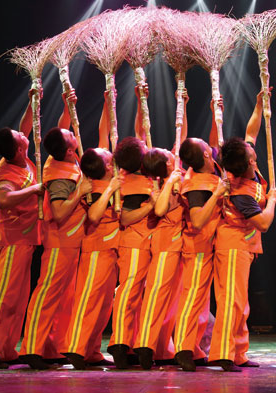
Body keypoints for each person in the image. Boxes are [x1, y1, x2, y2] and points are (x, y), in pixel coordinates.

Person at [18, 90, 92, 370]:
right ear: (70, 150)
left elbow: (63, 130)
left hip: (71, 243)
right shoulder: (60, 176)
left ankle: (53, 348)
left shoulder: (61, 158)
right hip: (60, 242)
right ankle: (32, 348)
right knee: (48, 294)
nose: (73, 132)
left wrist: (65, 105)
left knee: (63, 298)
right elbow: (60, 213)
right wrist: (80, 192)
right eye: (71, 136)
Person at [209, 89, 276, 371]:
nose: (251, 146)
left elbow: (252, 131)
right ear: (249, 161)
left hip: (244, 247)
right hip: (232, 246)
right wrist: (272, 201)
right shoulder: (241, 192)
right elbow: (263, 223)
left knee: (242, 302)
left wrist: (259, 103)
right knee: (231, 301)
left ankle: (239, 352)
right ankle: (223, 354)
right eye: (250, 151)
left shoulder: (246, 168)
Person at [0, 89, 44, 369]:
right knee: (6, 293)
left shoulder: (20, 157)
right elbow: (4, 200)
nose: (23, 135)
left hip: (26, 239)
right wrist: (35, 189)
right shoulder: (5, 172)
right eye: (20, 138)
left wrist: (32, 101)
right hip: (13, 240)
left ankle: (6, 349)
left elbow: (24, 127)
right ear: (18, 149)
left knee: (18, 296)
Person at [63, 92, 121, 370]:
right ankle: (76, 348)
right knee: (89, 300)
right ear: (108, 166)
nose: (110, 153)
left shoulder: (103, 173)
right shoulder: (97, 187)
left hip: (110, 250)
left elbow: (103, 134)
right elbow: (95, 215)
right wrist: (111, 189)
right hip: (96, 249)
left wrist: (108, 103)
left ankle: (91, 350)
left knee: (103, 303)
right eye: (109, 157)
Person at [133, 91, 190, 370]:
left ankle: (165, 347)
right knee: (156, 293)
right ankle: (144, 345)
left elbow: (181, 138)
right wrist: (169, 185)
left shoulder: (172, 170)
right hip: (166, 243)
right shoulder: (162, 184)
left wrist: (184, 106)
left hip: (179, 244)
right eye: (170, 155)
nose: (172, 152)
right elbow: (159, 210)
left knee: (173, 299)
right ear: (167, 164)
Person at [172, 117, 228, 371]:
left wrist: (215, 114)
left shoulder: (210, 169)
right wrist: (217, 195)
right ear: (205, 154)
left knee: (203, 302)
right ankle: (183, 349)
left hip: (212, 245)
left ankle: (194, 348)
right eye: (207, 147)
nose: (211, 147)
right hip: (197, 247)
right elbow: (197, 220)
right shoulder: (197, 184)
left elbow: (216, 142)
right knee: (192, 298)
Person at [107, 86, 156, 369]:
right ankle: (120, 342)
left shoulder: (136, 172)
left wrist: (140, 101)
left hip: (145, 242)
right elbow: (125, 219)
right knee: (128, 291)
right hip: (134, 243)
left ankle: (134, 343)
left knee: (139, 293)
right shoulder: (132, 183)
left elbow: (142, 133)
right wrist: (151, 206)